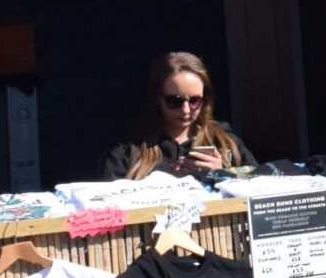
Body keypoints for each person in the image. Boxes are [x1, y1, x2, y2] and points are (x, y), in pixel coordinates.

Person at [100, 51, 249, 181]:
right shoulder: (130, 151)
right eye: (174, 101)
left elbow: (260, 187)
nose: (185, 110)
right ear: (157, 98)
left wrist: (222, 175)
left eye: (194, 101)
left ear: (205, 100)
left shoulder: (225, 143)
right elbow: (109, 206)